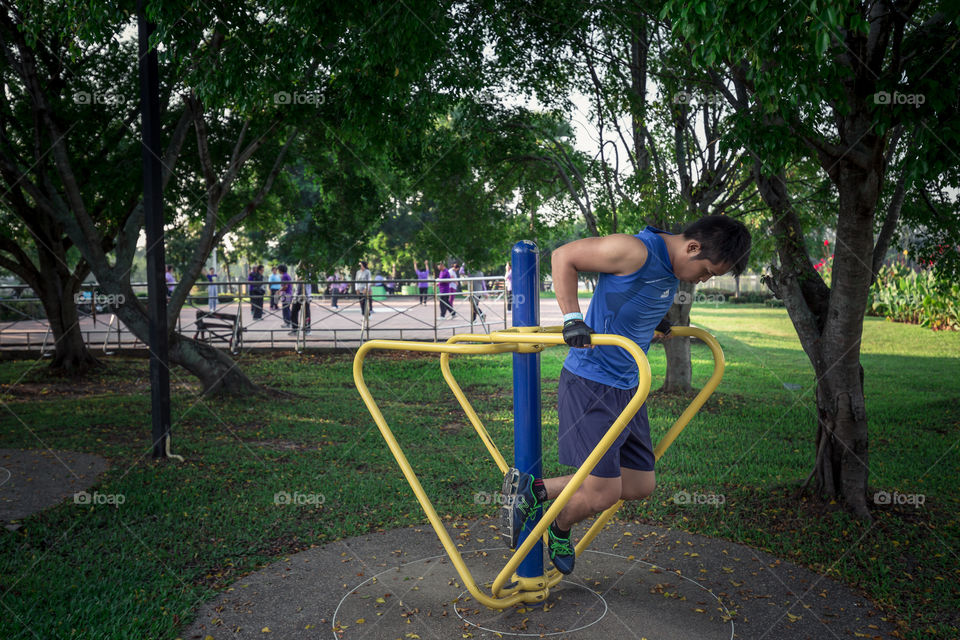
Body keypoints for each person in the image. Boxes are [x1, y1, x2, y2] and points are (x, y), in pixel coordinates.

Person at [499, 215, 751, 575]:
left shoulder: (669, 269)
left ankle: (535, 490)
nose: (705, 280)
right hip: (592, 382)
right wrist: (572, 318)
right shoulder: (634, 250)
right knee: (604, 492)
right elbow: (563, 256)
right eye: (708, 271)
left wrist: (655, 320)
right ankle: (558, 527)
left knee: (638, 483)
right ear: (692, 248)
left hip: (630, 387)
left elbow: (636, 295)